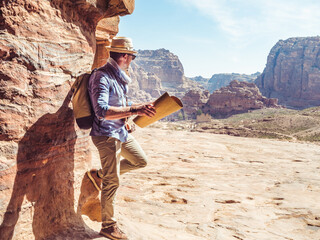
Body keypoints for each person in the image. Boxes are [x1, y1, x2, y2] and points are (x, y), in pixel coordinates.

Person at [87, 36, 156, 240]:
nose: (132, 61)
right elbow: (101, 111)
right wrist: (135, 109)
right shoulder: (102, 76)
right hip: (106, 135)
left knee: (140, 161)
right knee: (113, 180)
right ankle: (108, 226)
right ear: (125, 56)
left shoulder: (118, 77)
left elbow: (119, 102)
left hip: (120, 131)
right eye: (132, 57)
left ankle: (99, 175)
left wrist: (127, 118)